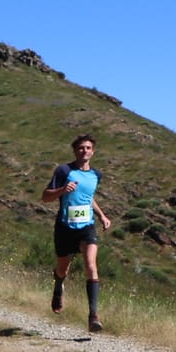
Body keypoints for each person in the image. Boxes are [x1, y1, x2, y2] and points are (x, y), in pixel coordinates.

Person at [41, 133, 111, 332]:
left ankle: (93, 316)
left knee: (91, 265)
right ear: (75, 150)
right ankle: (58, 286)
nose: (85, 151)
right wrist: (62, 190)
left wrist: (102, 216)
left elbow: (88, 198)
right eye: (81, 148)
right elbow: (45, 197)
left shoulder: (96, 175)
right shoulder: (64, 171)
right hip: (65, 227)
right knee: (63, 268)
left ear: (93, 151)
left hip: (86, 227)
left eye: (88, 148)